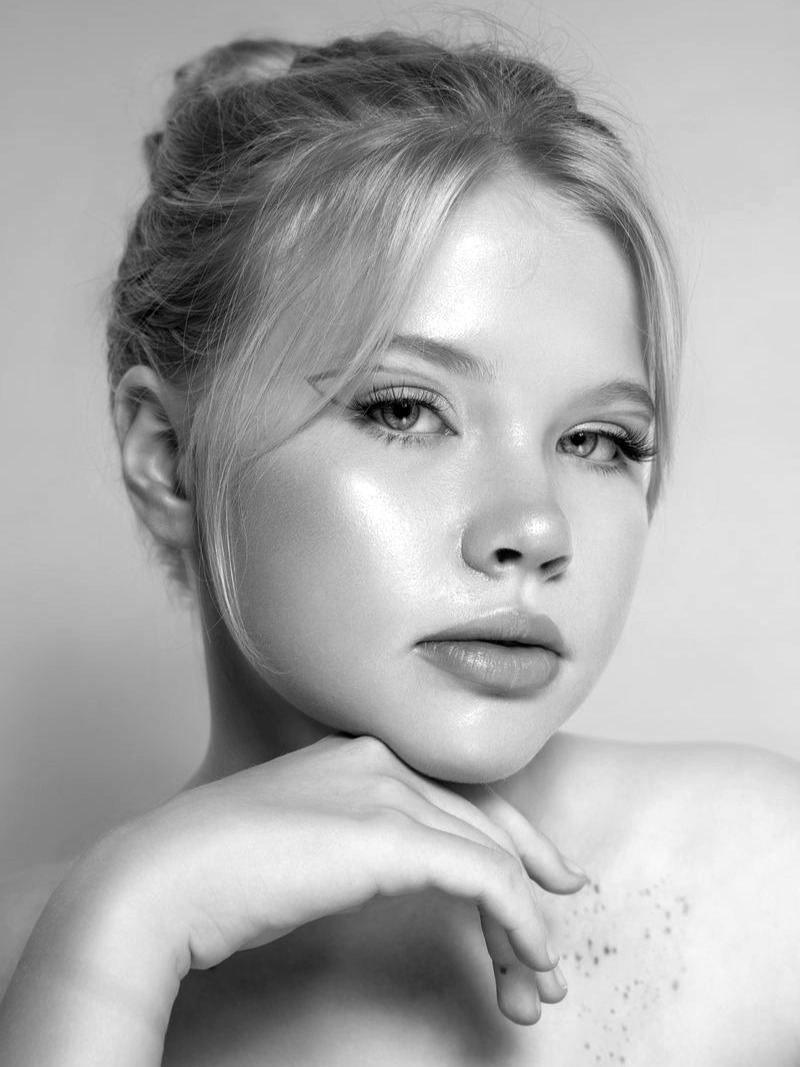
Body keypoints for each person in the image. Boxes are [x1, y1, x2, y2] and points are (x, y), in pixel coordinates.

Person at [1, 27, 799, 1067]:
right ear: (167, 458)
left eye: (597, 440)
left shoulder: (762, 890)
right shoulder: (43, 956)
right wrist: (113, 944)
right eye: (404, 410)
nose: (535, 528)